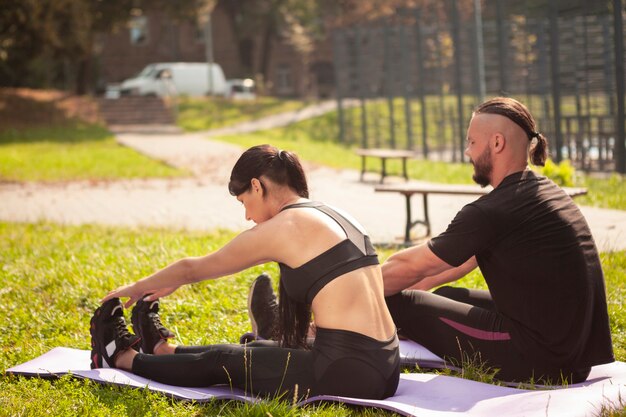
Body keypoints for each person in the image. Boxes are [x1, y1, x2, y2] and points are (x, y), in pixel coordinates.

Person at [89, 144, 400, 399]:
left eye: (243, 202)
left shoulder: (287, 225)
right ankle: (162, 349)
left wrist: (137, 287)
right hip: (383, 364)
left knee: (222, 361)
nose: (247, 216)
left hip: (349, 372)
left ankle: (121, 358)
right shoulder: (332, 214)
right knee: (254, 350)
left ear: (257, 186)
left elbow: (193, 268)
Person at [382, 97, 614, 383]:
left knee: (401, 305)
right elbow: (461, 261)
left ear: (496, 143)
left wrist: (346, 294)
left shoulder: (494, 210)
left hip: (542, 361)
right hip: (573, 355)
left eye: (471, 142)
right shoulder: (542, 193)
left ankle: (340, 332)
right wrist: (412, 290)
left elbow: (412, 265)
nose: (467, 151)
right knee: (444, 296)